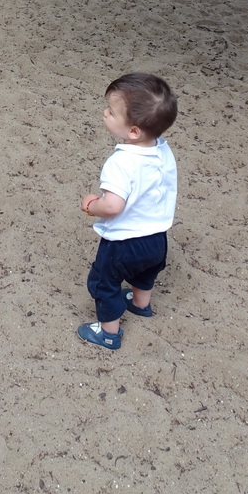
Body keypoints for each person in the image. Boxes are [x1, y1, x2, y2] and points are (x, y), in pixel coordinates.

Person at [77, 73, 178, 351]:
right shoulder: (162, 150)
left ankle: (108, 333)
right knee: (145, 273)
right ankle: (140, 304)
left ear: (133, 131)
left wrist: (90, 204)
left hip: (123, 242)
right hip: (157, 236)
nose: (104, 113)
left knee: (104, 281)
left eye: (111, 111)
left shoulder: (121, 162)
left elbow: (112, 206)